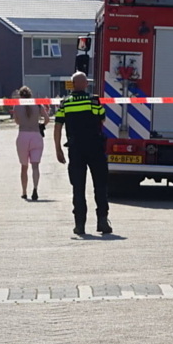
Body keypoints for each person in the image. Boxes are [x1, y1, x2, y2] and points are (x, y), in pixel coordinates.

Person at [54, 72, 112, 236]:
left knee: (78, 188)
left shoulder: (65, 103)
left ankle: (80, 225)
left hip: (76, 150)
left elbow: (58, 126)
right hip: (95, 148)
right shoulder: (93, 100)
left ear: (72, 85)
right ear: (86, 84)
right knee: (100, 186)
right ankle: (102, 221)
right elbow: (102, 118)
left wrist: (58, 149)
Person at [13, 86, 49, 200]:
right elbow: (47, 118)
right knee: (35, 166)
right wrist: (41, 125)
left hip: (23, 136)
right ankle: (35, 189)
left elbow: (17, 121)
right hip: (36, 136)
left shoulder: (17, 105)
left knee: (24, 167)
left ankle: (24, 192)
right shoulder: (38, 104)